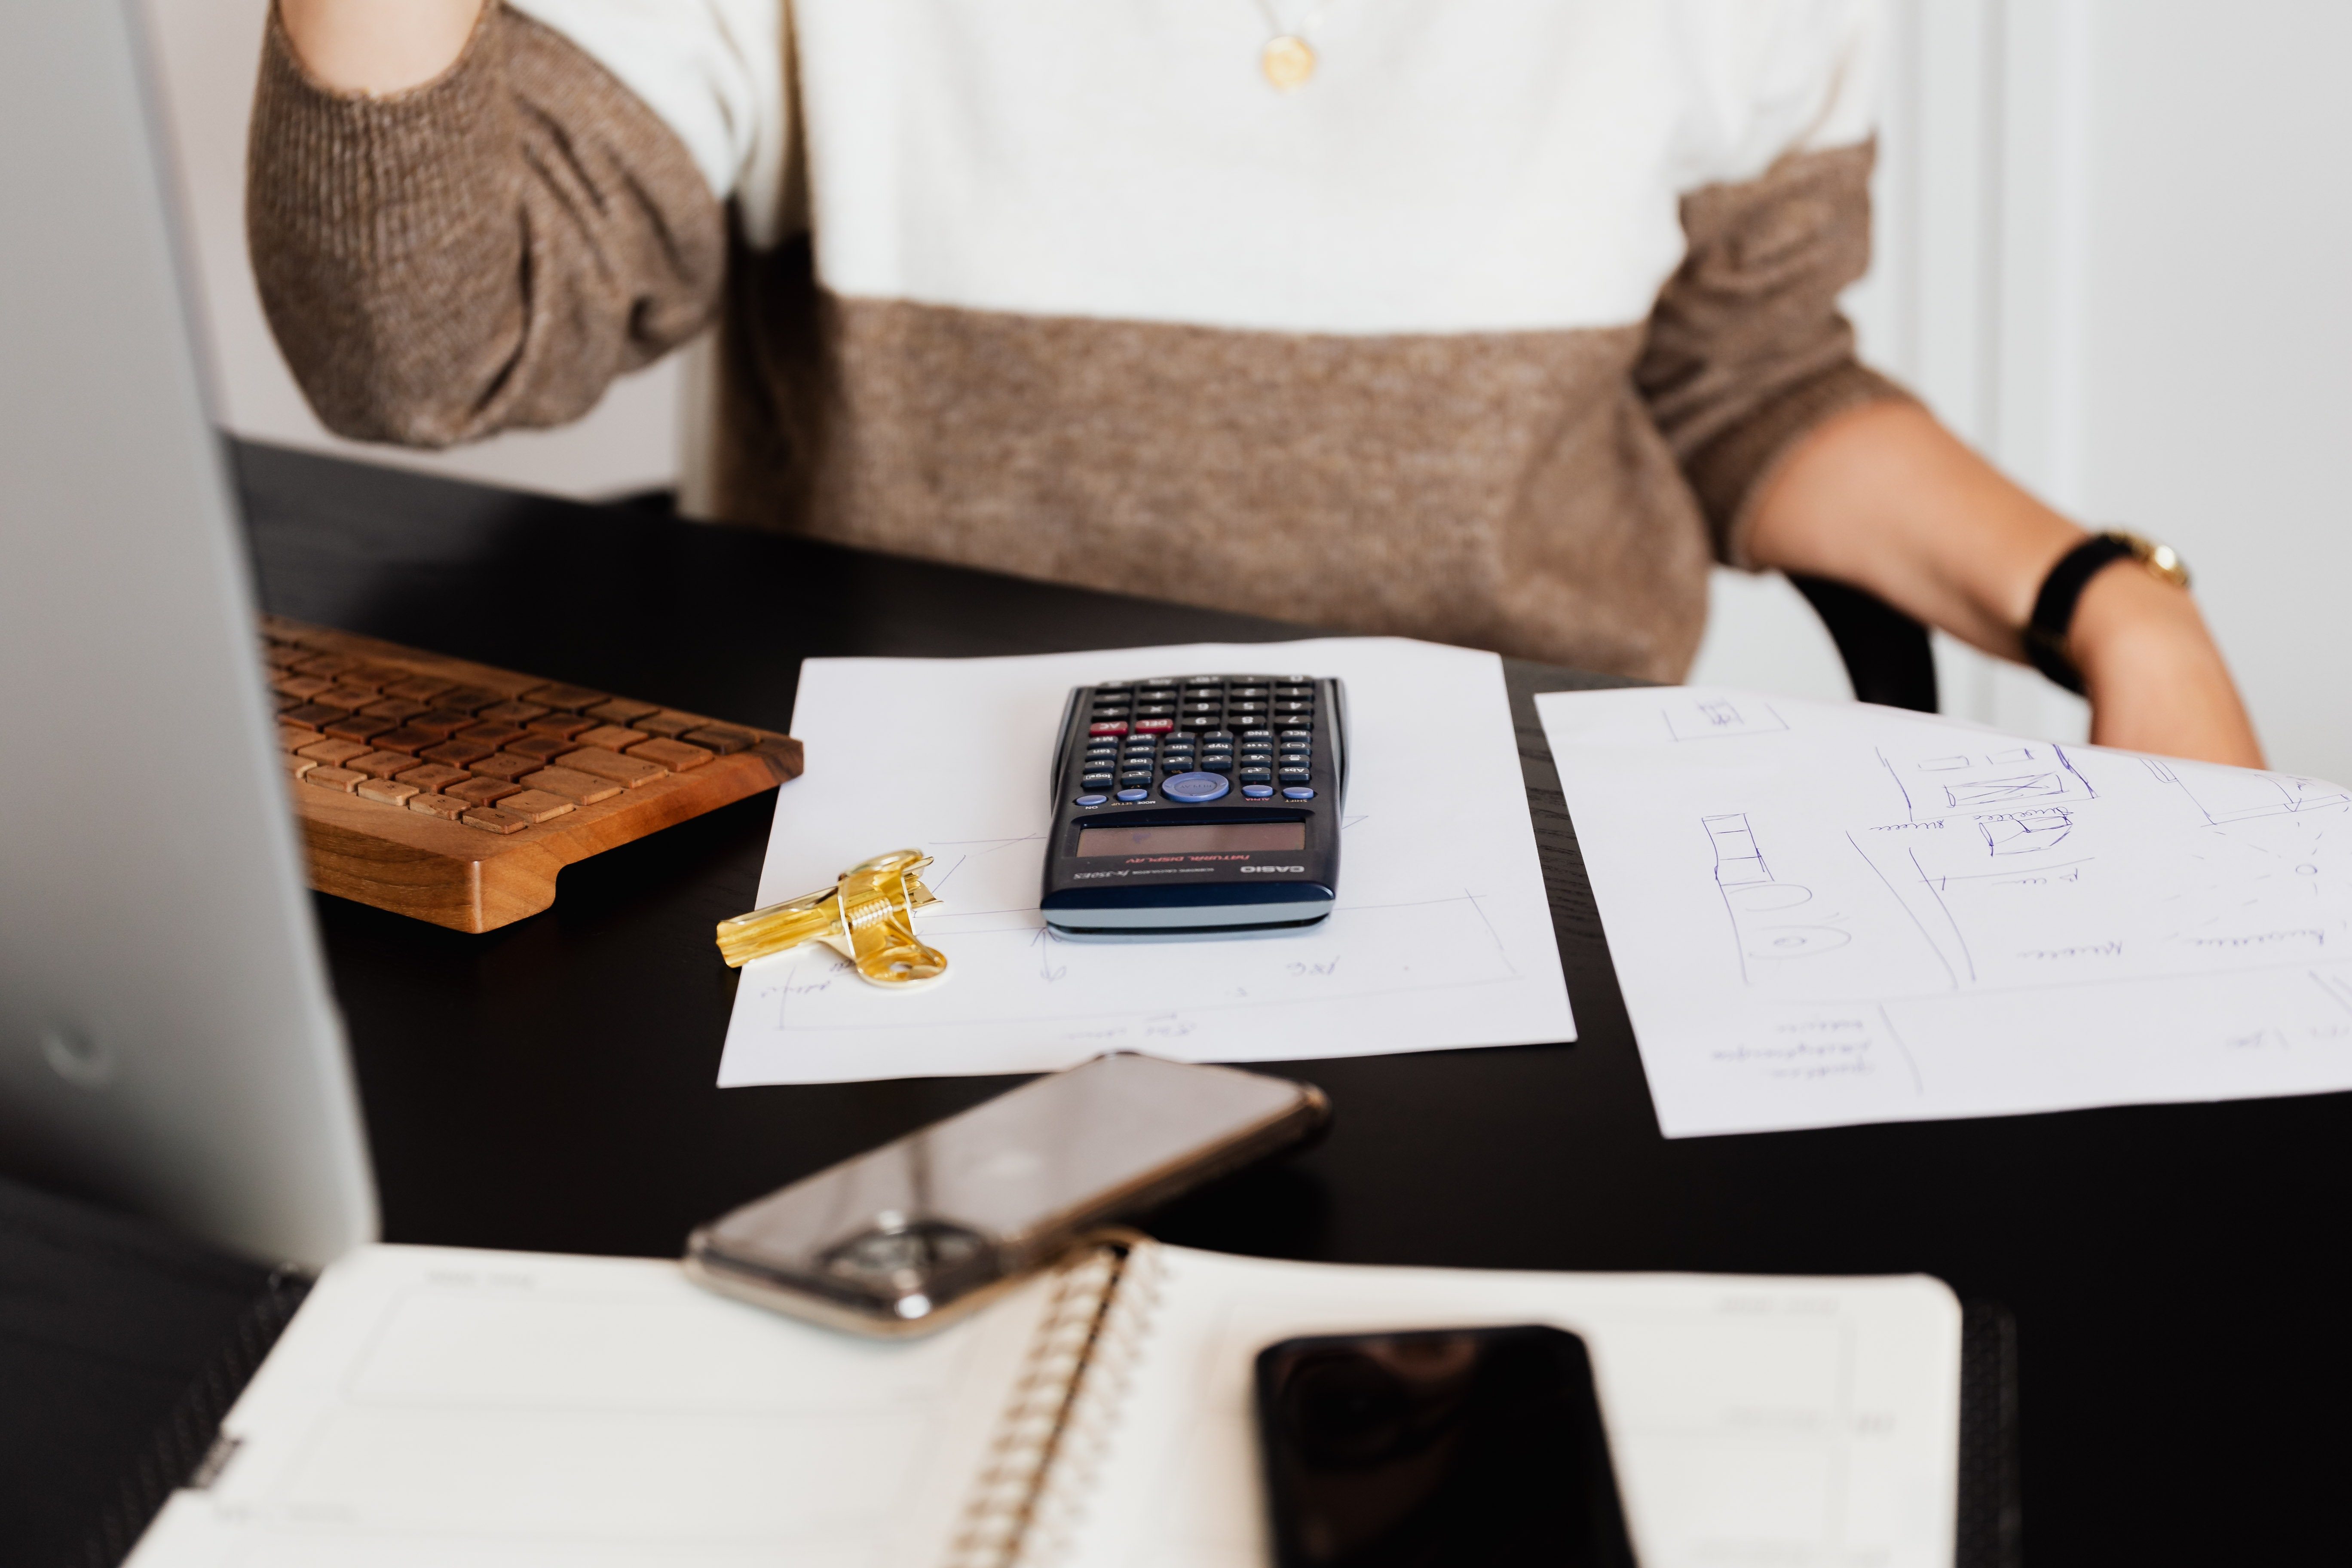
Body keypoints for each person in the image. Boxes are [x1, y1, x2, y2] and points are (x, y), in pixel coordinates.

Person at [251, 0, 2263, 766]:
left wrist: (2117, 602)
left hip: (1538, 844)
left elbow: (1739, 376)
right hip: (911, 863)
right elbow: (432, 346)